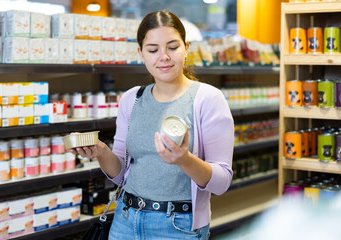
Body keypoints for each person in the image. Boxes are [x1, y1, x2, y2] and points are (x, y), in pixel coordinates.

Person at [70, 10, 234, 240]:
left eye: (173, 47)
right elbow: (119, 176)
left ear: (186, 48)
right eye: (153, 50)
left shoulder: (207, 99)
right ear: (141, 53)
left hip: (178, 227)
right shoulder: (131, 99)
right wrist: (102, 152)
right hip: (125, 221)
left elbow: (222, 182)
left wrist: (184, 160)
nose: (163, 56)